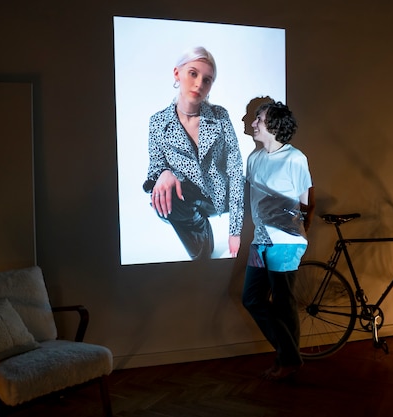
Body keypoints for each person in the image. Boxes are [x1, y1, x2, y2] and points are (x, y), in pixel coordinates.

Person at [143, 46, 244, 260]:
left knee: (258, 187)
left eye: (207, 80)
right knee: (160, 193)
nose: (199, 84)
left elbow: (235, 170)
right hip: (185, 200)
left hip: (220, 194)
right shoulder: (158, 122)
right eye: (193, 73)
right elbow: (155, 166)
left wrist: (235, 230)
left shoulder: (219, 116)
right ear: (177, 73)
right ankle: (199, 227)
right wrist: (164, 173)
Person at [242, 100, 314, 380]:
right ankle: (290, 357)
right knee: (252, 298)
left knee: (283, 304)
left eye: (258, 118)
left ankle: (288, 362)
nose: (253, 122)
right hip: (260, 240)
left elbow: (307, 200)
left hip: (285, 241)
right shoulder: (254, 158)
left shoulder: (295, 158)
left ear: (273, 125)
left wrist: (298, 233)